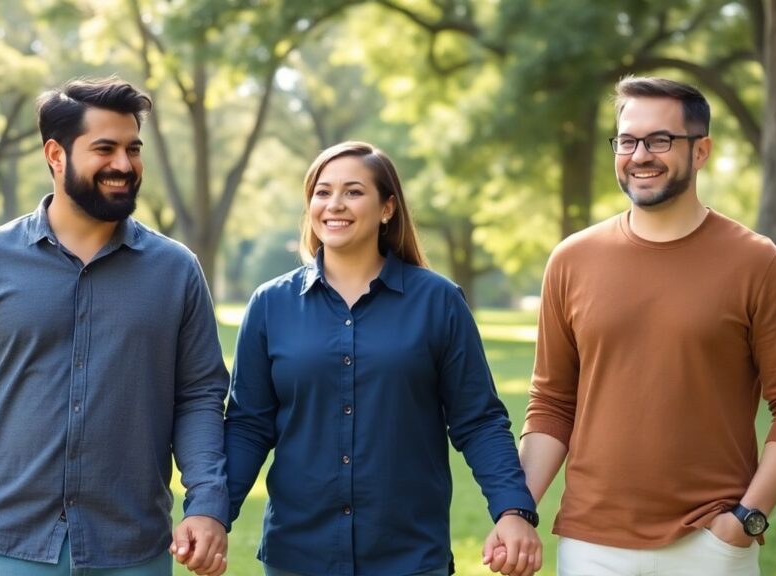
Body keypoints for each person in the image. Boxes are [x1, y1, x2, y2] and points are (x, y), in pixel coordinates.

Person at [0, 77, 230, 576]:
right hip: (1, 548)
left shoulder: (176, 270)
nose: (123, 164)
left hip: (132, 551)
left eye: (133, 149)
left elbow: (199, 396)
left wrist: (206, 504)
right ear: (55, 155)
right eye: (105, 148)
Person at [519, 76, 776, 575]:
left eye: (661, 139)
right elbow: (553, 402)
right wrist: (519, 510)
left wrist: (747, 517)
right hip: (591, 543)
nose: (641, 154)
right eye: (627, 140)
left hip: (710, 543)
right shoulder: (572, 260)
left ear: (701, 150)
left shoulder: (758, 263)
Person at [223, 141, 542, 576]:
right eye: (322, 192)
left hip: (409, 557)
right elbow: (248, 425)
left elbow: (479, 420)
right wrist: (213, 514)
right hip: (298, 557)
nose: (334, 204)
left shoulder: (439, 302)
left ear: (387, 208)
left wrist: (512, 510)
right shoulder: (270, 305)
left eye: (353, 192)